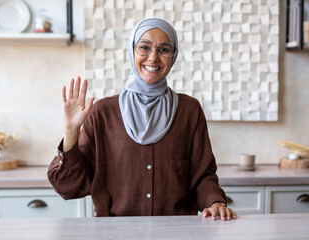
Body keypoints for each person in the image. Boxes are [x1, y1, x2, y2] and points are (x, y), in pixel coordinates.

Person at [48, 18, 237, 221]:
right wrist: (71, 131)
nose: (153, 57)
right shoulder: (104, 112)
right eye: (144, 47)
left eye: (164, 49)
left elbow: (202, 175)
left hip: (177, 233)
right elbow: (68, 186)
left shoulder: (189, 111)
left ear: (173, 56)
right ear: (132, 51)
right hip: (116, 234)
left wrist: (215, 202)